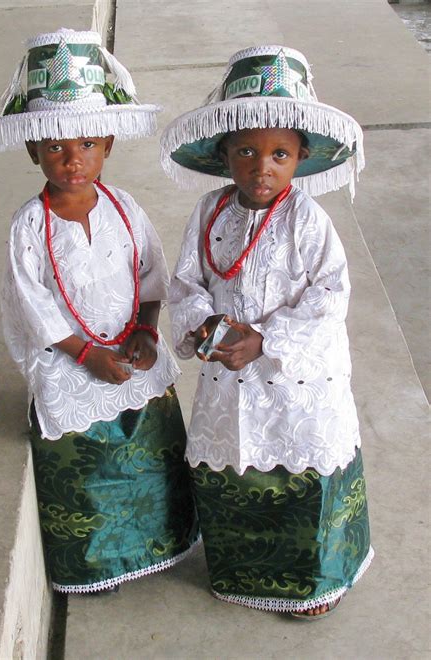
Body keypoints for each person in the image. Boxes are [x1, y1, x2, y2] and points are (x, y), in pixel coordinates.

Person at [0, 28, 198, 594]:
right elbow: (33, 302)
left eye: (86, 146)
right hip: (71, 358)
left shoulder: (125, 209)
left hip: (129, 348)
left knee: (150, 451)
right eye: (55, 147)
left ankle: (162, 539)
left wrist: (146, 334)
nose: (71, 160)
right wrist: (86, 354)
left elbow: (151, 272)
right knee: (89, 465)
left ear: (107, 146)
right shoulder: (31, 224)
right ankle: (97, 561)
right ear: (33, 151)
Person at [161, 45, 373, 618]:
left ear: (301, 156)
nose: (262, 167)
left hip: (298, 381)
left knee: (300, 469)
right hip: (228, 375)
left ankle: (309, 585)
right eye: (247, 151)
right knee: (238, 468)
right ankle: (242, 572)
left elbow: (330, 297)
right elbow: (185, 282)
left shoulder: (308, 219)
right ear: (224, 153)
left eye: (279, 153)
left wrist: (267, 341)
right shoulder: (209, 213)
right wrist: (204, 322)